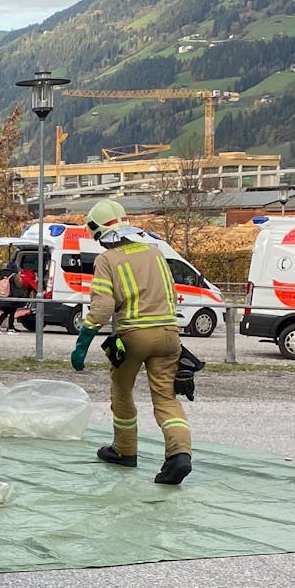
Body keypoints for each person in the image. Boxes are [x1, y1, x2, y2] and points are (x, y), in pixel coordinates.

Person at [71, 199, 193, 485]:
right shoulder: (155, 253)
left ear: (100, 232)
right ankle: (180, 455)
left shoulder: (107, 260)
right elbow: (170, 295)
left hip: (134, 336)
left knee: (122, 391)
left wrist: (83, 342)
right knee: (165, 398)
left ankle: (125, 450)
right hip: (169, 334)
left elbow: (101, 308)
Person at [0, 267, 18, 332]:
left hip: (3, 296)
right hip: (12, 296)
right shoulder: (14, 275)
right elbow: (19, 284)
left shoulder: (2, 275)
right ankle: (10, 328)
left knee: (6, 312)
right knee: (12, 312)